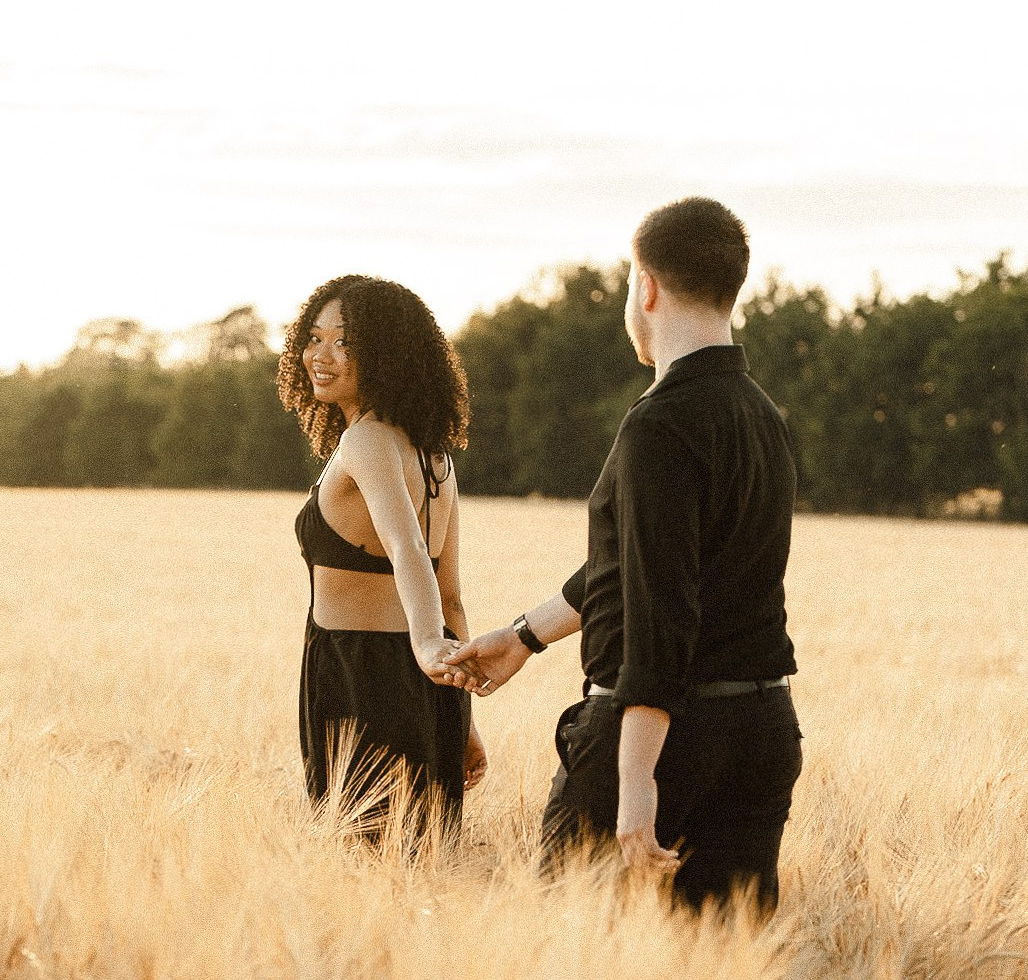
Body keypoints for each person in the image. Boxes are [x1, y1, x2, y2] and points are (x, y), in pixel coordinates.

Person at [447, 198, 802, 914]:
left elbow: (660, 608)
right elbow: (638, 564)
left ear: (646, 287)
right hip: (760, 733)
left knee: (575, 962)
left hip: (664, 736)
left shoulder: (658, 425)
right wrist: (525, 637)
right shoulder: (764, 417)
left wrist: (637, 781)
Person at [281, 274, 486, 833]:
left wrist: (426, 644)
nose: (321, 356)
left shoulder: (366, 441)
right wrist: (460, 714)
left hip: (357, 680)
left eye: (344, 342)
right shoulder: (432, 453)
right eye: (315, 337)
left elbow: (407, 547)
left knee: (360, 868)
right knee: (420, 870)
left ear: (385, 354)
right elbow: (451, 596)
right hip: (429, 687)